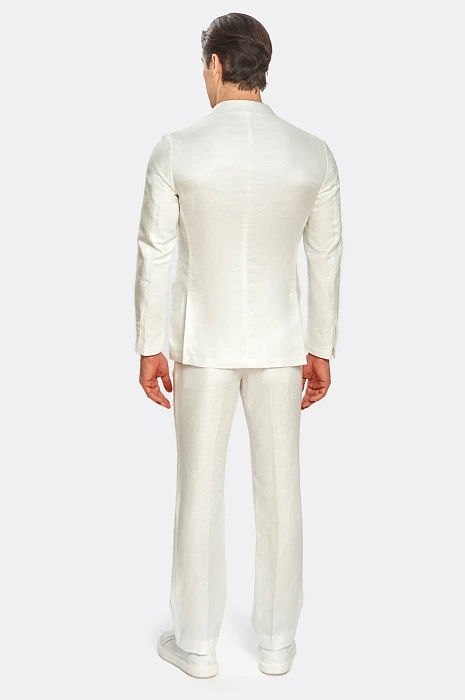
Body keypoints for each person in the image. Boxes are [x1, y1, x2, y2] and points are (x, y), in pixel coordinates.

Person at [134, 12, 343, 678]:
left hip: (201, 345)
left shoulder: (178, 148)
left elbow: (154, 250)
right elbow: (325, 256)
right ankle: (277, 644)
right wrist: (320, 346)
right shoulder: (311, 153)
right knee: (281, 491)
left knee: (198, 491)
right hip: (282, 345)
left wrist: (147, 344)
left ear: (217, 65)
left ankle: (197, 646)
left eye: (205, 68)